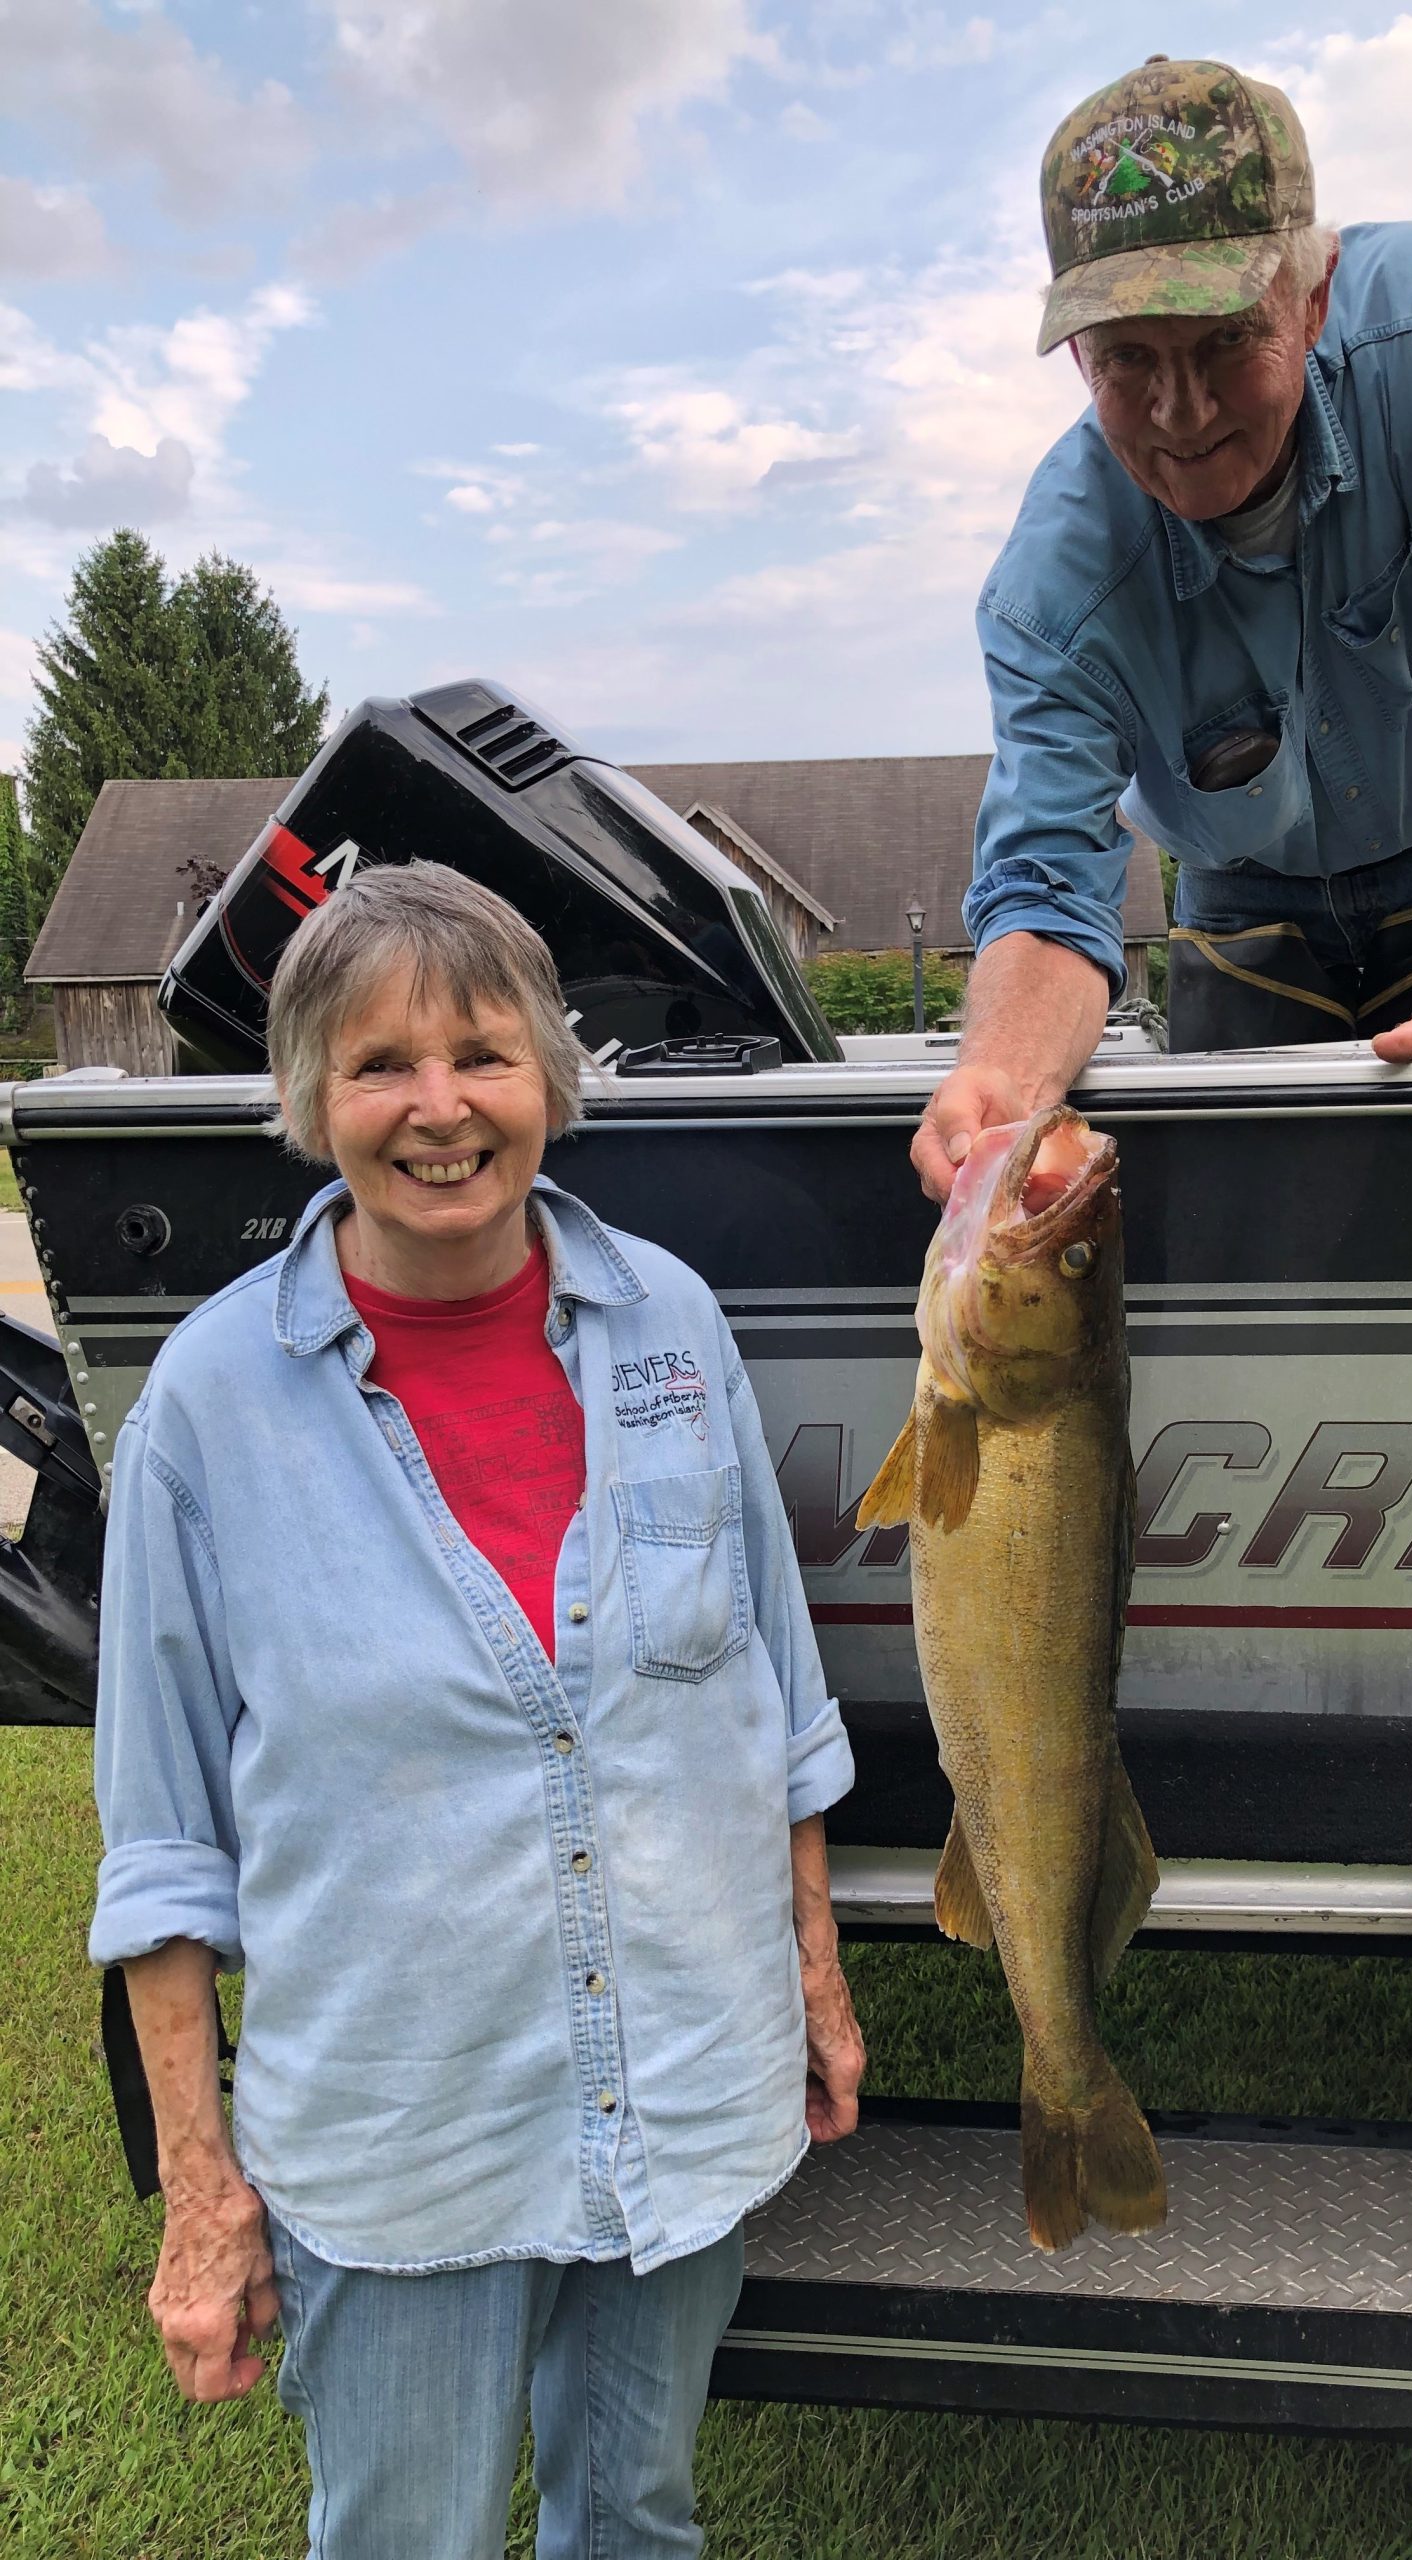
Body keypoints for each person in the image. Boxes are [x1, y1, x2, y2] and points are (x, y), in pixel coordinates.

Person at [88, 862, 865, 2560]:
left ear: (550, 1080)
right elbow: (160, 1845)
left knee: (638, 2519)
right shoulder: (212, 1407)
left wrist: (810, 1969)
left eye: (483, 1054)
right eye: (379, 1065)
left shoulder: (667, 1323)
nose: (439, 1109)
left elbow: (774, 1692)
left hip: (678, 2079)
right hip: (403, 2135)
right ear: (310, 1100)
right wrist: (204, 2194)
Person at [915, 55, 1412, 1202]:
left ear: (1314, 296)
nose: (1180, 418)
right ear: (1080, 350)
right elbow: (1048, 884)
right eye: (1130, 358)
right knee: (1249, 1236)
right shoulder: (1050, 588)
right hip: (1241, 900)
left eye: (1225, 340)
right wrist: (1002, 1076)